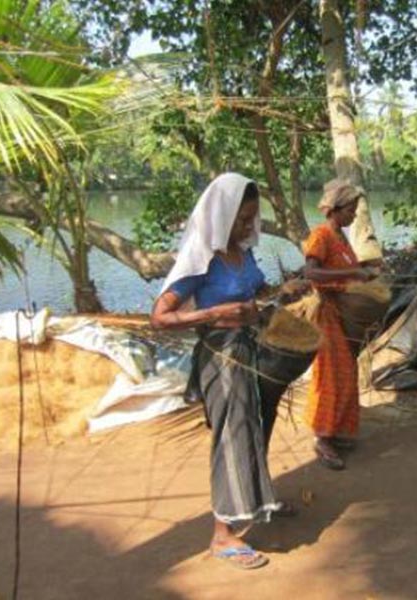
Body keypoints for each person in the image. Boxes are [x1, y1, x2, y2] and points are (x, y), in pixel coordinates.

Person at [150, 172, 300, 570]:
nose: (248, 226)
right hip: (223, 358)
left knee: (258, 425)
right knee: (232, 438)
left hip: (256, 350)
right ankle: (222, 536)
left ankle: (259, 499)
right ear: (221, 215)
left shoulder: (244, 252)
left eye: (252, 218)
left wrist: (284, 292)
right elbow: (160, 317)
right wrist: (215, 313)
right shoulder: (202, 258)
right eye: (241, 218)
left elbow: (257, 292)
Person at [303, 179, 377, 470]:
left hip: (341, 312)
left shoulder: (341, 238)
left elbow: (346, 271)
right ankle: (322, 437)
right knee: (331, 374)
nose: (353, 215)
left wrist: (366, 272)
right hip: (326, 314)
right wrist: (354, 273)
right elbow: (311, 273)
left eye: (355, 210)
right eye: (350, 210)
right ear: (334, 209)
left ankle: (335, 431)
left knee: (346, 371)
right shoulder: (321, 235)